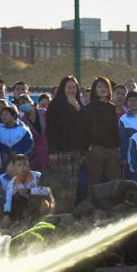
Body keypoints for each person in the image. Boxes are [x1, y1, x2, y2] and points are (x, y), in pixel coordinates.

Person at [46, 75, 90, 211]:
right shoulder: (55, 105)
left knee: (74, 187)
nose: (71, 90)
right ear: (62, 89)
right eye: (68, 87)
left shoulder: (79, 104)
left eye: (74, 87)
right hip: (60, 153)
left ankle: (69, 215)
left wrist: (77, 108)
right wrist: (52, 151)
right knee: (61, 188)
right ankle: (59, 215)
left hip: (77, 153)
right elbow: (51, 129)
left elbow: (85, 127)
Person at [83, 77, 123, 187]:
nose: (103, 89)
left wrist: (117, 146)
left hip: (112, 150)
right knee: (94, 183)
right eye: (99, 86)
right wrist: (89, 146)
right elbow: (85, 129)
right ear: (94, 90)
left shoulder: (111, 107)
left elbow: (114, 129)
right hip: (95, 150)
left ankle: (115, 204)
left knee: (116, 181)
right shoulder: (88, 108)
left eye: (105, 86)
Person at [16, 94, 49, 172]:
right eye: (20, 104)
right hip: (35, 157)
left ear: (30, 102)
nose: (22, 105)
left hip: (50, 152)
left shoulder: (44, 112)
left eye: (24, 102)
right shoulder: (22, 121)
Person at [118, 91, 137, 169]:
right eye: (130, 100)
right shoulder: (123, 119)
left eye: (135, 100)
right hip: (130, 156)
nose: (133, 102)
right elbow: (123, 140)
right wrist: (123, 157)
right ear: (126, 102)